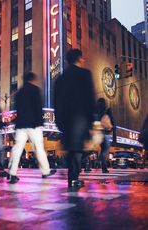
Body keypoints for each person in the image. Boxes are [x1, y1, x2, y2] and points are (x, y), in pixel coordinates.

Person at [54, 49, 96, 188]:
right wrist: (93, 119)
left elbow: (56, 101)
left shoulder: (60, 78)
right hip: (80, 115)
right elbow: (90, 97)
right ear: (79, 59)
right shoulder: (85, 74)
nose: (83, 60)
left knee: (74, 147)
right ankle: (73, 177)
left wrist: (58, 120)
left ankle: (71, 173)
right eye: (82, 58)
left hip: (65, 117)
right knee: (79, 148)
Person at [8, 72, 56, 184]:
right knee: (38, 148)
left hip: (21, 124)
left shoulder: (18, 93)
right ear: (32, 79)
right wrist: (41, 122)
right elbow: (38, 108)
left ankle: (12, 173)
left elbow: (17, 110)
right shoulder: (35, 90)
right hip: (33, 124)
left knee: (17, 149)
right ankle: (45, 171)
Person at [96, 98, 114, 173]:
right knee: (105, 149)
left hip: (97, 132)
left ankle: (103, 166)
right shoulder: (107, 110)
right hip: (105, 132)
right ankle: (101, 163)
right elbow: (112, 120)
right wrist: (112, 128)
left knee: (92, 150)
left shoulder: (96, 110)